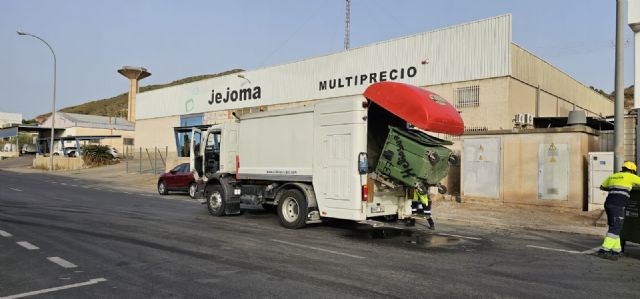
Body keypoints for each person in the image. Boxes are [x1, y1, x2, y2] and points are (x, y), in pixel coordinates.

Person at [597, 161, 640, 260]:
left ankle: (616, 251)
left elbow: (602, 187)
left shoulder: (614, 176)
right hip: (618, 205)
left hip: (608, 203)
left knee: (615, 227)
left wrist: (614, 188)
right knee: (616, 228)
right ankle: (604, 250)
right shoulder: (630, 176)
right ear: (632, 170)